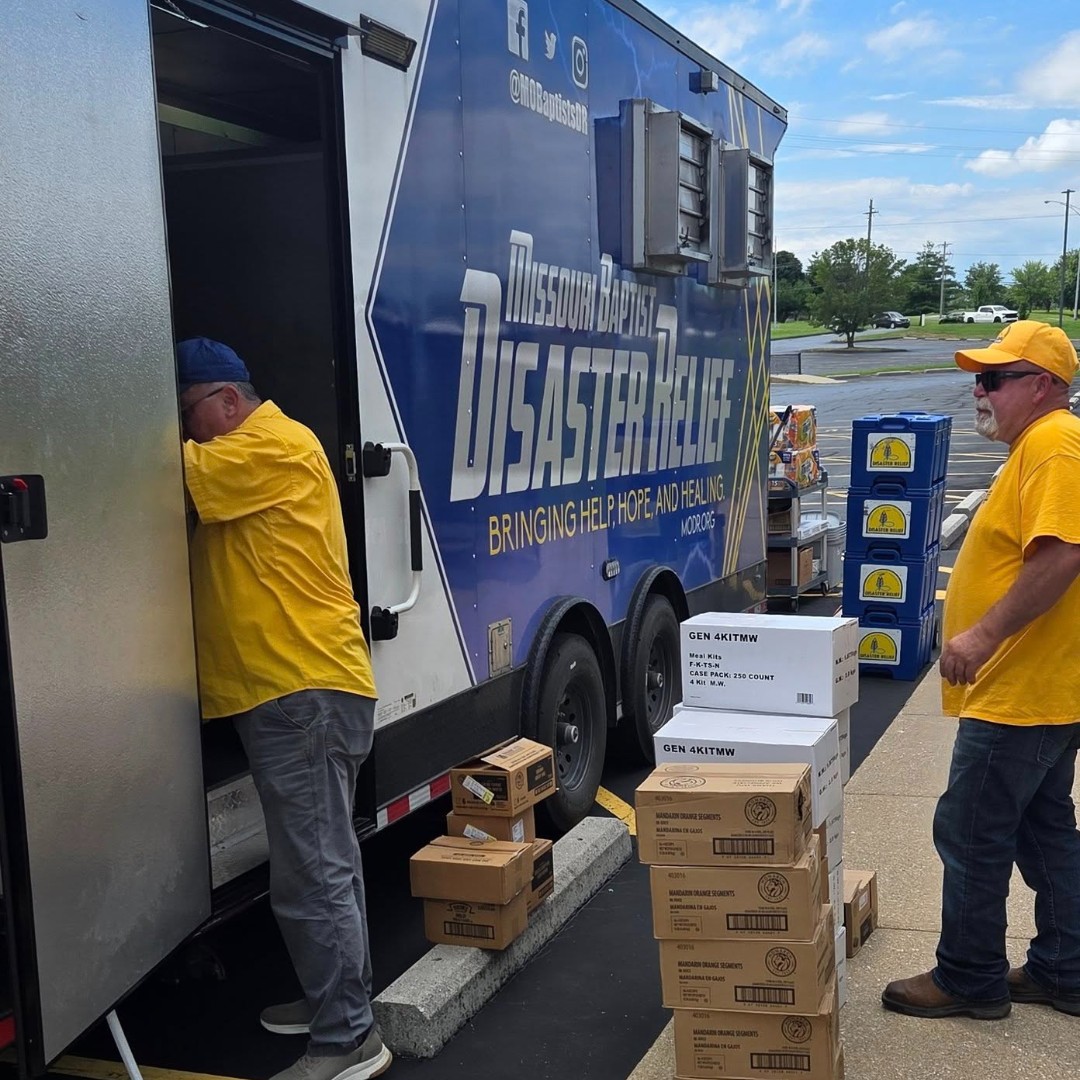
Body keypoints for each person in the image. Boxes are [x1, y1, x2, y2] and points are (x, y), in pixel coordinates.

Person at [177, 338, 391, 1080]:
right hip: (300, 692)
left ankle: (347, 1039)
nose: (186, 429)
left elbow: (159, 475)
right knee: (326, 864)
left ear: (228, 400)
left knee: (313, 873)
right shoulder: (262, 450)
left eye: (188, 411)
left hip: (299, 692)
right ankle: (338, 1001)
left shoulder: (269, 444)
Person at [882, 320, 1080, 1021]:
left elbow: (1061, 556)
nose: (979, 390)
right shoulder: (1039, 446)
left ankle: (969, 977)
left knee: (970, 830)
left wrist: (983, 634)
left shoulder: (1054, 444)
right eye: (978, 378)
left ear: (1043, 385)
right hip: (1039, 686)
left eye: (994, 378)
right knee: (1041, 829)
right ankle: (1065, 968)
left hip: (1020, 687)